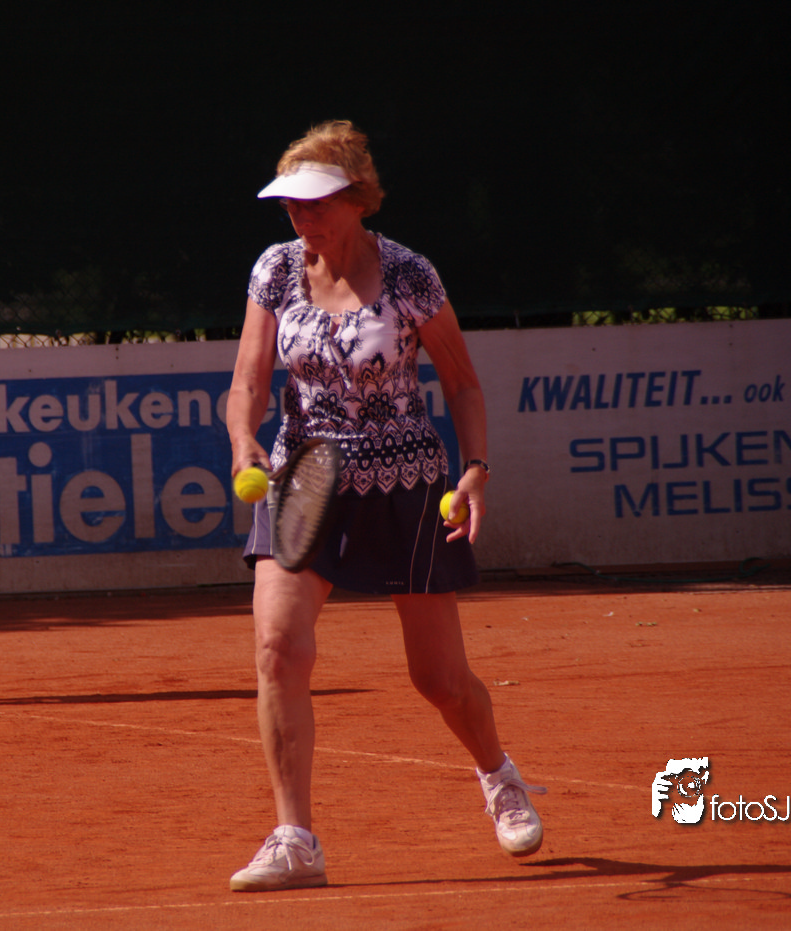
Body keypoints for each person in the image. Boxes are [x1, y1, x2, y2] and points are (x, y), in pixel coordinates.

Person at [225, 121, 544, 891]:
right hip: (302, 479)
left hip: (403, 486)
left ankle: (497, 774)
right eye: (291, 204)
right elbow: (248, 380)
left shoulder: (408, 274)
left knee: (438, 679)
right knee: (277, 649)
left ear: (355, 197)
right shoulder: (274, 269)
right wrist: (242, 441)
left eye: (315, 203)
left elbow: (461, 383)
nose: (300, 217)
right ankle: (295, 837)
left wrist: (475, 469)